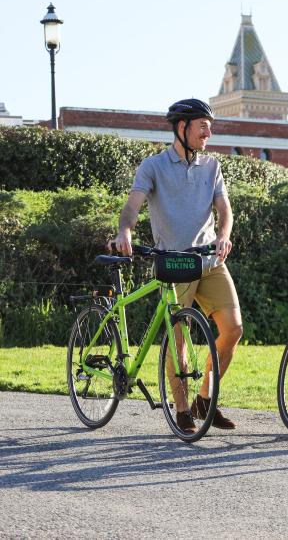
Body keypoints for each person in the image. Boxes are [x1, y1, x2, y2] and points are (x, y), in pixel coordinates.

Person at [110, 98, 242, 433]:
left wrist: (223, 236)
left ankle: (203, 398)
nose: (208, 133)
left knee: (233, 329)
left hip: (209, 260)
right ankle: (182, 409)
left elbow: (224, 211)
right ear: (182, 128)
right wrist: (125, 230)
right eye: (202, 125)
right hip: (174, 261)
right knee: (178, 335)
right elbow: (133, 206)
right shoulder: (153, 167)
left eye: (210, 127)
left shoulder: (212, 167)